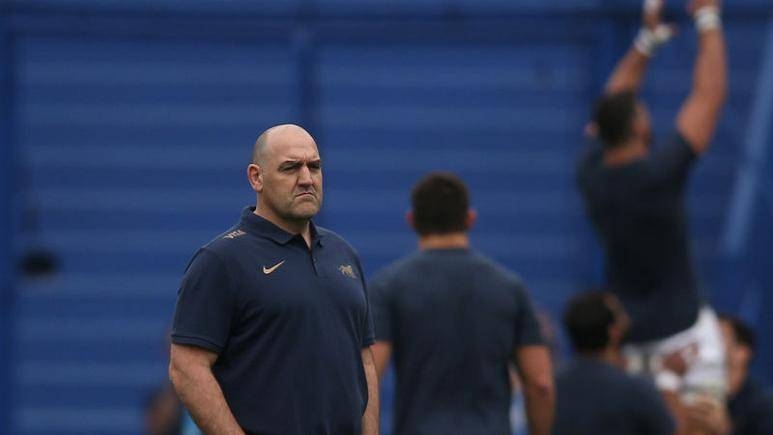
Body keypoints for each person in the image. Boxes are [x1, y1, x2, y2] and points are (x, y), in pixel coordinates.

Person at [168, 124, 379, 435]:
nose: (307, 179)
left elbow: (364, 362)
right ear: (256, 177)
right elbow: (186, 368)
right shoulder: (221, 261)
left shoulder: (343, 254)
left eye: (314, 166)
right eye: (291, 168)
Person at [576, 0, 728, 401]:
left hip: (626, 347)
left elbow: (612, 102)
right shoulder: (657, 176)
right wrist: (707, 17)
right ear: (638, 126)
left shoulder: (591, 175)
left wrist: (647, 41)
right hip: (685, 343)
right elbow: (708, 97)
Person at [369, 172, 554, 435]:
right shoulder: (509, 287)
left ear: (412, 221)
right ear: (470, 219)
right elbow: (540, 384)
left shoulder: (389, 287)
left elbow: (368, 377)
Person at [554, 291, 679, 435]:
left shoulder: (552, 386)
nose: (627, 319)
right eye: (621, 314)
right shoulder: (636, 391)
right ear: (614, 331)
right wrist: (670, 378)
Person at [715, 315, 773, 435]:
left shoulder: (765, 408)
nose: (706, 346)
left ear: (742, 353)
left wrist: (727, 432)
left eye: (716, 337)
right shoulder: (692, 393)